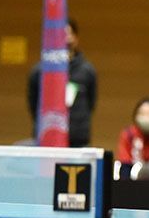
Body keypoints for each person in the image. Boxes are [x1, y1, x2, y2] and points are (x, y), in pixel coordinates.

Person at [27, 18, 97, 147]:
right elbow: (33, 103)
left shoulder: (87, 70)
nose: (64, 39)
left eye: (68, 34)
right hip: (47, 136)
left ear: (76, 38)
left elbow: (91, 103)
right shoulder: (39, 71)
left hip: (77, 138)